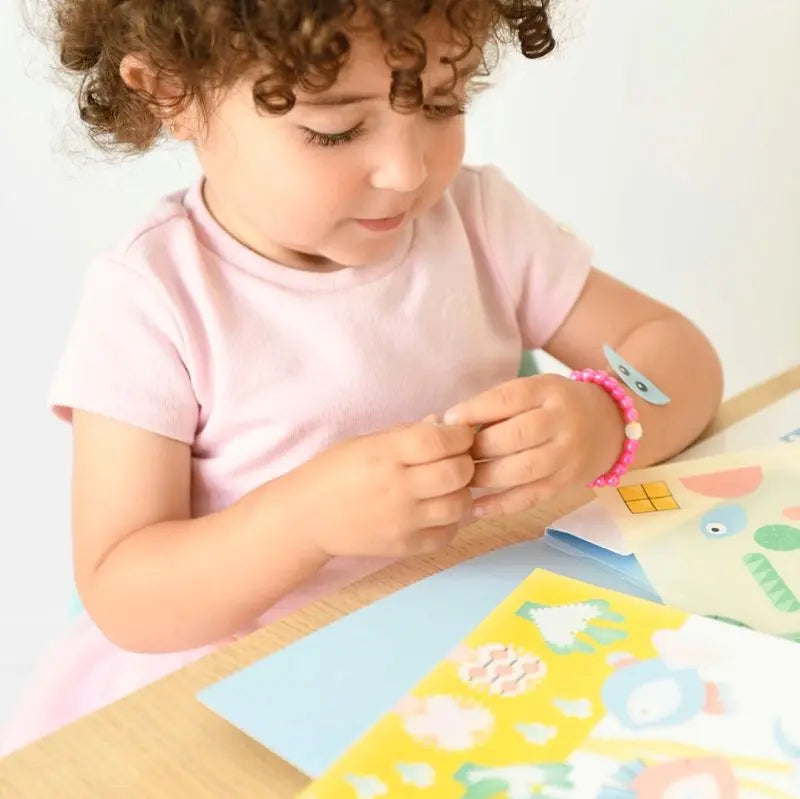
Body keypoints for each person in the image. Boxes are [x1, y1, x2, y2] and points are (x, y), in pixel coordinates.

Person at [2, 0, 722, 754]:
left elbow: (677, 355)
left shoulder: (478, 221)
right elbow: (125, 592)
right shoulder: (154, 298)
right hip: (263, 682)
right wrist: (302, 522)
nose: (407, 170)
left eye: (441, 104)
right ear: (170, 93)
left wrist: (608, 420)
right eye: (334, 130)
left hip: (490, 641)